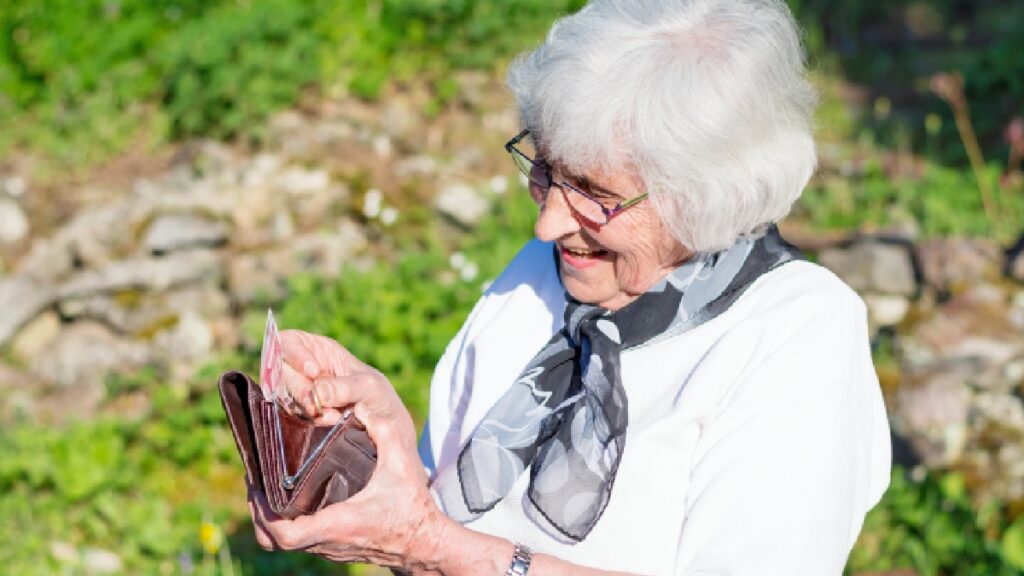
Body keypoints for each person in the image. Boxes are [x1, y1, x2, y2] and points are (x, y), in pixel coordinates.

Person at [247, 0, 892, 573]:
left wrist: (426, 544)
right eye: (547, 171)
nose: (548, 221)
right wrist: (374, 449)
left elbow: (442, 544)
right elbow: (444, 530)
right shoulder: (543, 273)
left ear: (706, 197)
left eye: (596, 194)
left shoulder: (796, 334)